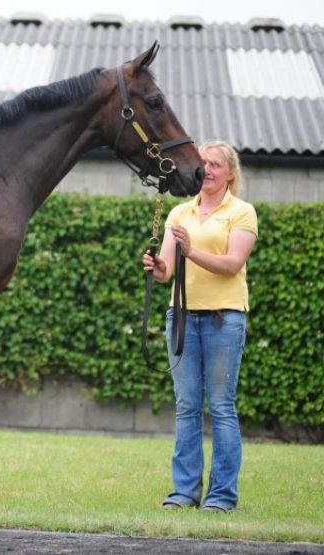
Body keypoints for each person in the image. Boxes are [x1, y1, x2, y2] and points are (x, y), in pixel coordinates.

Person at [142, 140, 258, 513]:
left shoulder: (241, 212)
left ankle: (222, 498)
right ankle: (184, 493)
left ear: (230, 173)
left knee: (222, 407)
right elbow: (167, 271)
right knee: (187, 406)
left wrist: (192, 251)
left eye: (214, 164)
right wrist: (157, 268)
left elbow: (232, 263)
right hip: (182, 317)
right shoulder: (179, 213)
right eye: (203, 163)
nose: (206, 169)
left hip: (225, 318)